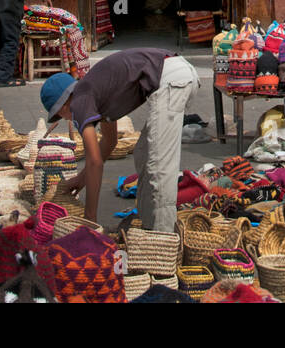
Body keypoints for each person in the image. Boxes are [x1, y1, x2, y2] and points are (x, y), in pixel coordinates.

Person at [41, 48, 199, 232]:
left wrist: (90, 218)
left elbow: (95, 162)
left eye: (61, 115)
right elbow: (109, 141)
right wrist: (80, 179)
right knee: (144, 153)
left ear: (63, 105)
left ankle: (163, 237)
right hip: (177, 73)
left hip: (172, 79)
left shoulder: (79, 101)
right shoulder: (94, 92)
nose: (65, 118)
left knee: (159, 166)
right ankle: (148, 224)